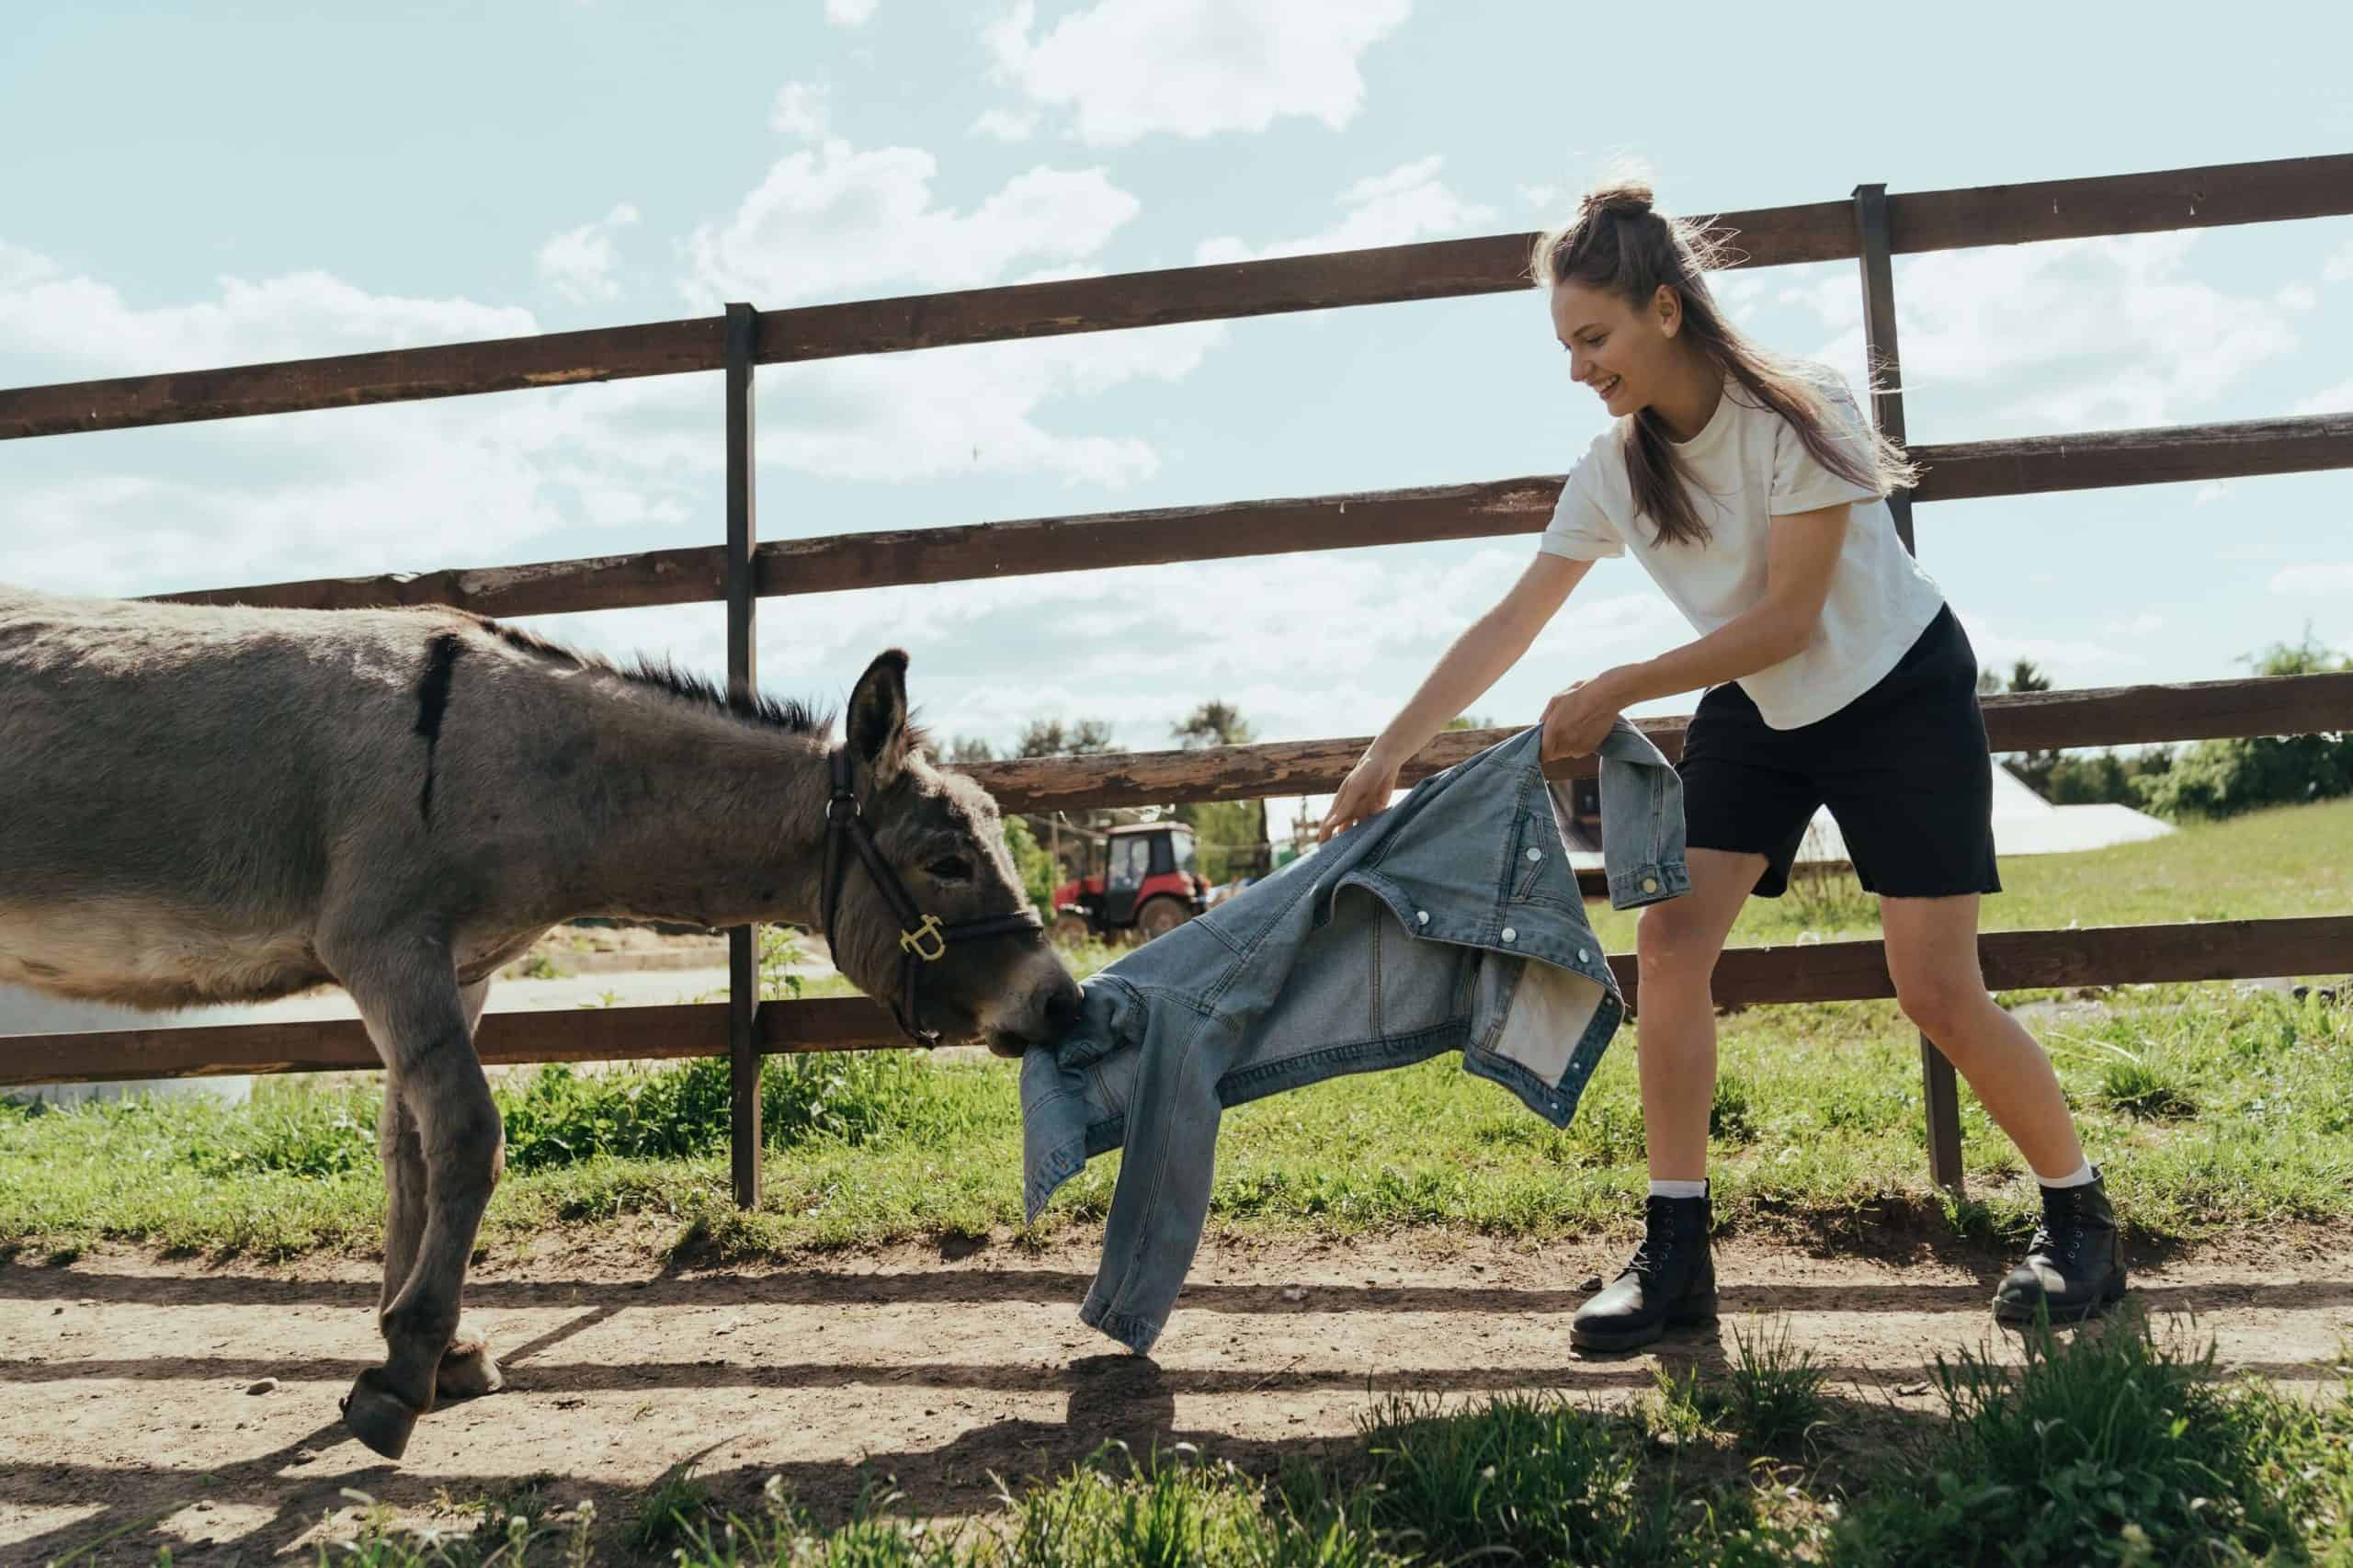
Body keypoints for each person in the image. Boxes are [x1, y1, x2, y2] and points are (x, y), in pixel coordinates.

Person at [1316, 180, 2124, 1350]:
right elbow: (1510, 619)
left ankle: (2080, 1219)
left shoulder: (1799, 408)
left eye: (1591, 338)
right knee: (1670, 939)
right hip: (1758, 699)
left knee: (1934, 988)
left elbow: (1792, 616)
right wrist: (1386, 754)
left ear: (1662, 309)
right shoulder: (1612, 466)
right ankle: (1677, 1252)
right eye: (1565, 344)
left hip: (1896, 690)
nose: (1578, 367)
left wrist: (1615, 689)